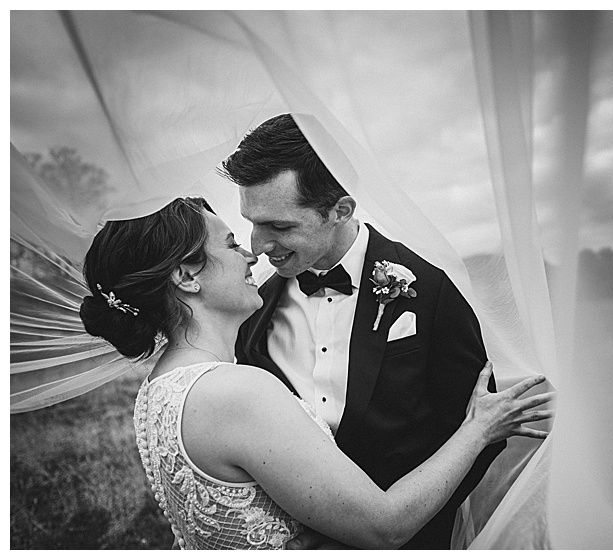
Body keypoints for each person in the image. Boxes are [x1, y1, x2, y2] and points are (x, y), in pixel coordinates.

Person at [78, 197, 553, 549]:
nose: (251, 255)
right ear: (186, 275)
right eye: (229, 244)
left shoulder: (159, 389)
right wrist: (479, 429)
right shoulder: (238, 392)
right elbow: (384, 528)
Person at [221, 114, 507, 548]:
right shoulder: (252, 312)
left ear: (341, 210)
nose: (258, 246)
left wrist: (404, 532)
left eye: (279, 226)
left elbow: (479, 432)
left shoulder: (430, 289)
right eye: (252, 221)